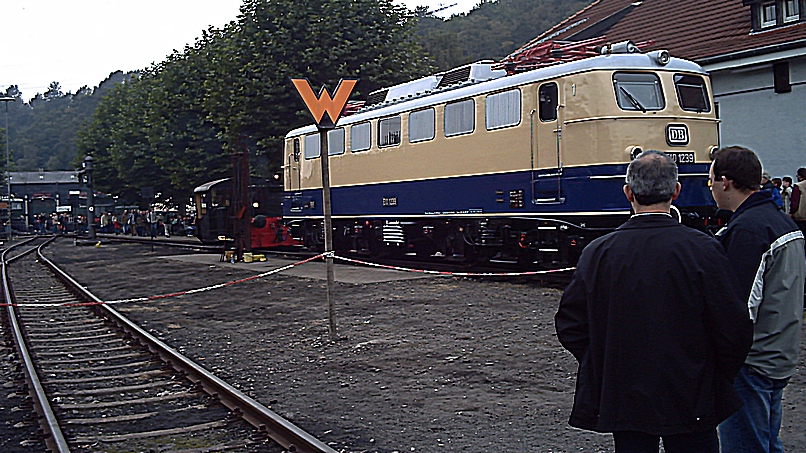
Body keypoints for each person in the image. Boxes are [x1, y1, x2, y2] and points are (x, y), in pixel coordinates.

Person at [554, 150, 753, 453]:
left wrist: (604, 360)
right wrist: (714, 371)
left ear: (628, 193)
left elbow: (571, 324)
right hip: (692, 391)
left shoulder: (599, 252)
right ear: (676, 191)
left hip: (625, 392)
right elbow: (733, 326)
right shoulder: (704, 250)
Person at [709, 147, 806, 453]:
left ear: (725, 182)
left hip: (751, 361)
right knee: (767, 441)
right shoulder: (782, 223)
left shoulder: (749, 231)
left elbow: (738, 307)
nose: (710, 188)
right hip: (779, 351)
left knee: (745, 445)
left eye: (711, 180)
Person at [793, 168, 806, 234]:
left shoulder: (798, 186)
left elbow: (795, 202)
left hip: (800, 217)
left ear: (799, 177)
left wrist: (791, 213)